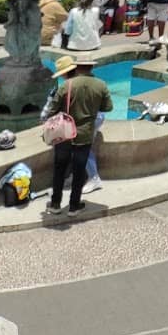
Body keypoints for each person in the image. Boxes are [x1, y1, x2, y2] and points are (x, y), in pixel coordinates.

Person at [44, 54, 112, 217]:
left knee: (59, 169)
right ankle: (74, 206)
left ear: (77, 66)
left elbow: (51, 111)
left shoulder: (66, 86)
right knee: (79, 170)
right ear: (91, 67)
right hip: (85, 134)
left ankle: (55, 204)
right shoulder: (101, 85)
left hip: (65, 134)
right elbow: (107, 107)